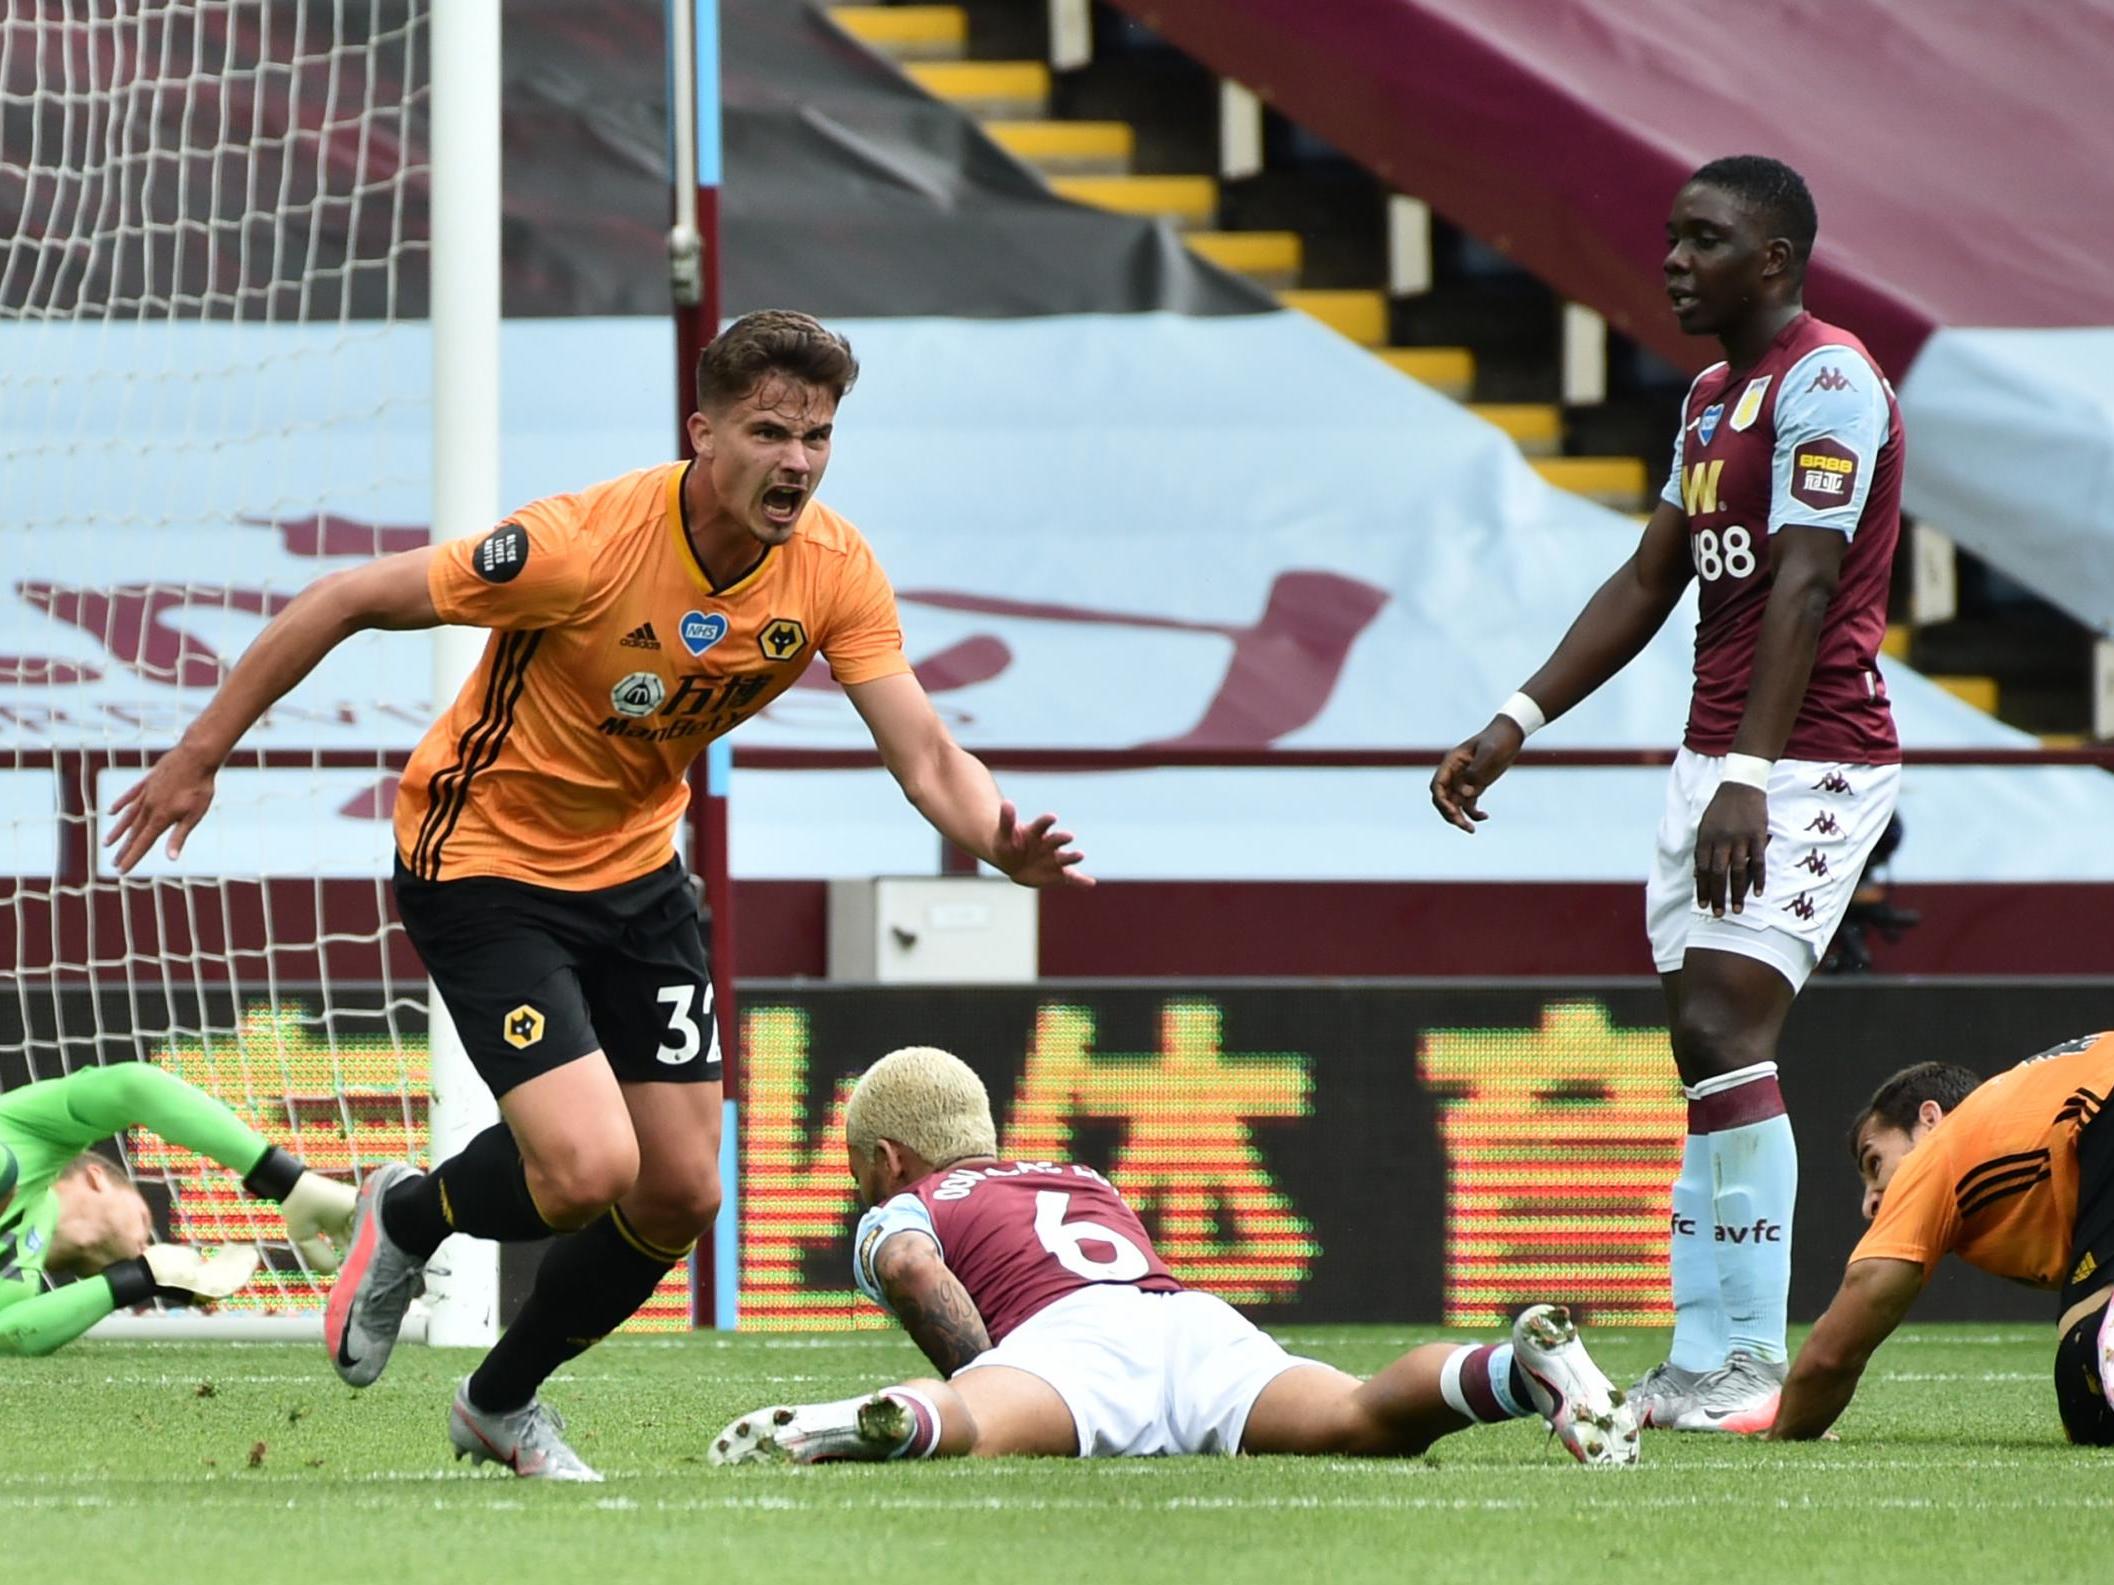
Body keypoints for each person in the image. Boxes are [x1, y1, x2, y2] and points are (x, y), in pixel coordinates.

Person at [107, 310, 1092, 1481]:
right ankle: (409, 1214)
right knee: (584, 1173)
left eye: (817, 435)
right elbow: (343, 598)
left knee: (679, 1190)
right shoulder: (578, 544)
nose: (796, 460)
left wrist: (991, 836)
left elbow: (925, 752)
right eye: (769, 430)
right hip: (483, 863)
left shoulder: (832, 569)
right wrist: (200, 751)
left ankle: (497, 1401)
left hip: (635, 874)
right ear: (702, 431)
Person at [1429, 155, 1905, 1432]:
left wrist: (1748, 775)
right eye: (1669, 235)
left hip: (1805, 756)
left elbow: (1804, 583)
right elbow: (1651, 579)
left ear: (1776, 259)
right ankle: (1705, 1355)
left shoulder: (1826, 380)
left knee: (1724, 1030)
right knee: (1702, 1051)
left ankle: (1746, 1355)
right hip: (1717, 756)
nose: (1672, 260)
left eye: (1703, 239)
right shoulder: (1707, 398)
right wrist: (1511, 720)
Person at [706, 1046, 1639, 1467]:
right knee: (1361, 1415)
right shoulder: (1076, 1173)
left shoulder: (904, 1200)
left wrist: (987, 1373)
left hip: (1068, 1344)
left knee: (977, 1424)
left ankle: (883, 1422)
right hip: (1183, 1318)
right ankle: (1518, 1374)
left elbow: (912, 1266)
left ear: (886, 1157)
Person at [1772, 1033, 2114, 1443]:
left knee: (2088, 1378)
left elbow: (1833, 1356)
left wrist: (1783, 1433)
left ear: (1930, 1120)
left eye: (1874, 1162)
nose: (1869, 1203)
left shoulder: (1941, 1153)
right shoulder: (2027, 1115)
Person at [0, 1062, 352, 1355]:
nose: (146, 1243)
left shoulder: (21, 1285)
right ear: (96, 1179)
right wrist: (285, 1180)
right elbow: (133, 1087)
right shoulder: (29, 1133)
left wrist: (143, 1277)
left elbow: (9, 1342)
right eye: (143, 1219)